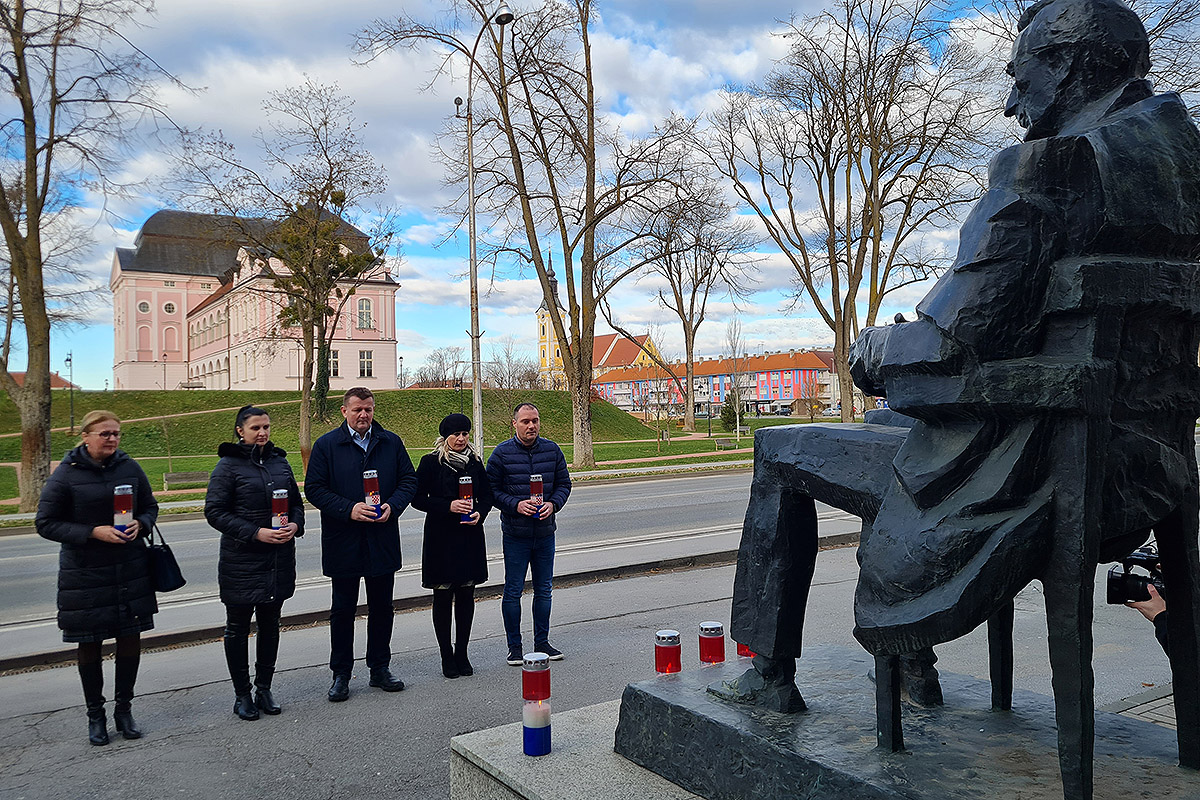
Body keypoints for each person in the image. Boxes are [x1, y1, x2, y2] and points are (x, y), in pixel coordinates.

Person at [36, 410, 159, 746]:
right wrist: (93, 532)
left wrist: (142, 523)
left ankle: (124, 710)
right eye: (105, 433)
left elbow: (150, 507)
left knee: (130, 638)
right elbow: (45, 523)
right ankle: (95, 715)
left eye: (116, 433)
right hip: (86, 573)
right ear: (86, 436)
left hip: (130, 568)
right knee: (89, 643)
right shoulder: (66, 474)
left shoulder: (130, 468)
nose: (112, 439)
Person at [304, 387, 417, 702]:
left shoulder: (390, 442)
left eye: (368, 409)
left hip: (381, 539)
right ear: (345, 411)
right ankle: (341, 674)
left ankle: (379, 668)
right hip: (344, 540)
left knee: (382, 608)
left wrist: (393, 505)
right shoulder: (327, 445)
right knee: (343, 611)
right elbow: (314, 489)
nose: (363, 415)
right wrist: (348, 509)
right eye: (357, 409)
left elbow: (409, 480)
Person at [204, 405, 304, 721]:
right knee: (237, 628)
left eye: (266, 427)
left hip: (278, 558)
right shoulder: (227, 466)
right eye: (255, 428)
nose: (262, 433)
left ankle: (264, 688)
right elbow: (215, 512)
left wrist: (295, 525)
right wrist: (255, 533)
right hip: (242, 561)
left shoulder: (280, 462)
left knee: (270, 625)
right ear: (240, 431)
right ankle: (242, 694)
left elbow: (296, 504)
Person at [486, 402, 571, 665]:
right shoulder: (502, 454)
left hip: (545, 533)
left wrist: (553, 504)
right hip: (516, 534)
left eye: (535, 420)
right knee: (513, 591)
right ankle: (514, 647)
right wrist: (516, 505)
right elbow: (491, 491)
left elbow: (564, 484)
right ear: (515, 424)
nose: (531, 425)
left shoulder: (552, 450)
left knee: (544, 590)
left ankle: (542, 642)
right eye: (525, 421)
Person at [411, 413, 493, 678]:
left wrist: (480, 512)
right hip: (441, 538)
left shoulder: (475, 463)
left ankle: (462, 653)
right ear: (445, 437)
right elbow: (417, 498)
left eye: (465, 434)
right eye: (456, 434)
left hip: (469, 536)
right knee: (443, 597)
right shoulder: (431, 462)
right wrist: (448, 505)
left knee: (467, 595)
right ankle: (446, 655)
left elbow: (487, 495)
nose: (461, 439)